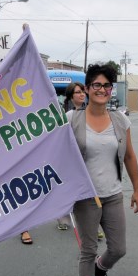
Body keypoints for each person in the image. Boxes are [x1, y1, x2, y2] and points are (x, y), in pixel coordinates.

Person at [68, 64, 138, 276]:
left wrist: (137, 189)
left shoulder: (121, 121)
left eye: (106, 85)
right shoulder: (71, 120)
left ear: (112, 90)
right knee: (88, 250)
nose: (101, 90)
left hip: (112, 194)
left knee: (118, 248)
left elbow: (130, 156)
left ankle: (100, 271)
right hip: (85, 197)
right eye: (96, 85)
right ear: (86, 89)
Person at [57, 82, 87, 231]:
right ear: (70, 96)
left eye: (83, 91)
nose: (82, 94)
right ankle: (64, 217)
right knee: (70, 189)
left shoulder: (89, 113)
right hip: (71, 160)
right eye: (78, 92)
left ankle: (91, 224)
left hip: (86, 159)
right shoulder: (69, 115)